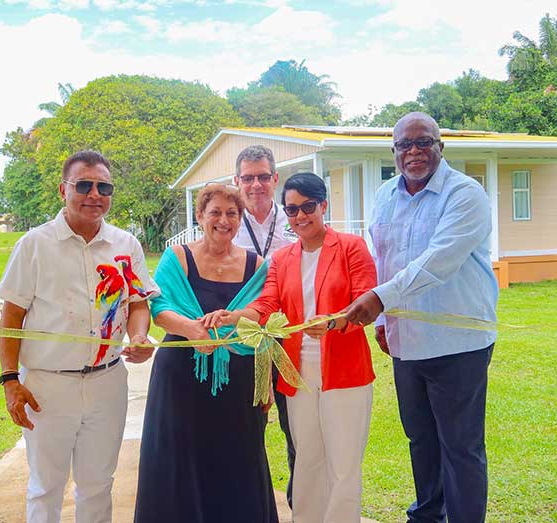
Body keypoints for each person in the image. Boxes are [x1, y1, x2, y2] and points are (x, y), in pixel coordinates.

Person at [344, 112, 499, 523]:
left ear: (440, 147)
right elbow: (381, 257)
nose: (414, 152)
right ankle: (427, 515)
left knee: (461, 447)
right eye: (404, 145)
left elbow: (437, 262)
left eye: (423, 142)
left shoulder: (466, 194)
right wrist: (381, 320)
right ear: (393, 151)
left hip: (458, 345)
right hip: (406, 342)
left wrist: (378, 300)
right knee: (420, 440)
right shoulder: (384, 196)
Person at [0, 150, 158, 523]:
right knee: (46, 486)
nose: (94, 194)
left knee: (98, 484)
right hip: (47, 388)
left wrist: (138, 336)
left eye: (104, 187)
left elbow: (137, 303)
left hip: (107, 383)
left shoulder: (126, 245)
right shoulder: (34, 245)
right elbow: (12, 316)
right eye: (83, 185)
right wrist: (9, 380)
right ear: (63, 189)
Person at [208, 172, 377, 523]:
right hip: (296, 373)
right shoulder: (282, 259)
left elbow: (365, 304)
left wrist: (336, 321)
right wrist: (234, 317)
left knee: (343, 463)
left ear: (324, 205)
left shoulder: (352, 247)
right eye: (292, 210)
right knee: (307, 457)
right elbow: (267, 304)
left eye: (308, 207)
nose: (300, 216)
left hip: (345, 373)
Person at [133, 183, 278, 523]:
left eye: (231, 213)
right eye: (215, 212)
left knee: (237, 459)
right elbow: (160, 304)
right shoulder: (177, 257)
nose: (223, 220)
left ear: (240, 219)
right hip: (180, 378)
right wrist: (191, 330)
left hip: (239, 382)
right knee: (176, 459)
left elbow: (264, 319)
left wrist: (265, 380)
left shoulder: (257, 265)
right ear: (199, 216)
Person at [231, 144, 297, 508]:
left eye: (262, 177)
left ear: (275, 179)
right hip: (241, 344)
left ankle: (298, 506)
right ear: (236, 181)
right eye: (247, 178)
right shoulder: (225, 221)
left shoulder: (295, 217)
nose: (255, 185)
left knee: (296, 429)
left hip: (288, 339)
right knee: (244, 427)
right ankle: (245, 506)